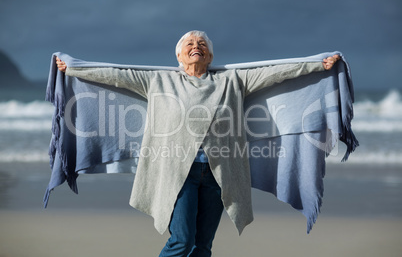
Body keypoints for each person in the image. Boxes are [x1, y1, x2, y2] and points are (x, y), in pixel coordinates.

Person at [56, 30, 339, 257]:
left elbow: (274, 72)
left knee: (203, 247)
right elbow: (115, 75)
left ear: (210, 54)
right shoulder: (159, 81)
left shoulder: (232, 81)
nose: (196, 45)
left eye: (202, 43)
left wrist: (317, 64)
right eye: (189, 43)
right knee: (182, 241)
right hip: (179, 173)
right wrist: (73, 68)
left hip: (219, 173)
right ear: (179, 55)